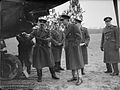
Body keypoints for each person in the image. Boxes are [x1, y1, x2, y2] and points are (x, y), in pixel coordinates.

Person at [29, 17, 59, 82]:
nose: (42, 24)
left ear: (45, 24)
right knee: (38, 63)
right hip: (38, 49)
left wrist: (44, 40)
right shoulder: (35, 31)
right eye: (41, 23)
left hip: (46, 48)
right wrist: (25, 35)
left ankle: (53, 74)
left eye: (43, 23)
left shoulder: (47, 31)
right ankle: (39, 77)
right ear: (39, 24)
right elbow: (30, 37)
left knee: (50, 62)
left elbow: (49, 38)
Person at [61, 15, 84, 85]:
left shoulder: (73, 26)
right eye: (61, 20)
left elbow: (79, 36)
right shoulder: (65, 28)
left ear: (67, 20)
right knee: (71, 62)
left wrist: (75, 45)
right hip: (69, 48)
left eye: (63, 20)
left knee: (77, 62)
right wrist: (65, 46)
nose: (62, 22)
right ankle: (74, 76)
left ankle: (80, 78)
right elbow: (65, 38)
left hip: (74, 48)